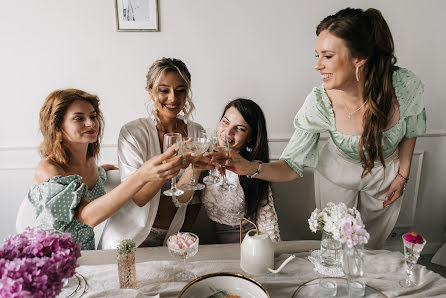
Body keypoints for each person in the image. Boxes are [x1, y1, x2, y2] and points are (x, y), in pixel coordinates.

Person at [225, 8, 425, 248]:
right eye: (317, 55)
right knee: (337, 244)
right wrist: (248, 167)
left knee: (371, 247)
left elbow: (411, 130)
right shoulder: (318, 103)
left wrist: (402, 175)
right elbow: (291, 166)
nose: (317, 65)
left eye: (327, 56)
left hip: (386, 174)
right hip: (337, 173)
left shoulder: (405, 86)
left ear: (359, 57)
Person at [28, 89, 183, 250]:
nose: (91, 123)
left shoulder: (89, 163)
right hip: (50, 258)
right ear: (57, 125)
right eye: (79, 118)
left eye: (93, 116)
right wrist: (141, 176)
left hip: (86, 254)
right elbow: (87, 217)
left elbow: (80, 185)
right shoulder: (48, 168)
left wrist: (103, 170)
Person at [100, 58, 210, 249]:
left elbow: (187, 199)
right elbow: (139, 197)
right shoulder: (133, 133)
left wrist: (196, 170)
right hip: (129, 237)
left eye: (181, 90)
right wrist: (172, 164)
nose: (173, 98)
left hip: (172, 237)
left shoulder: (197, 134)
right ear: (151, 92)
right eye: (164, 90)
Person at [203, 98, 280, 243]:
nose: (228, 132)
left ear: (250, 137)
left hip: (248, 245)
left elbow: (268, 224)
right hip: (215, 246)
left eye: (240, 128)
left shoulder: (252, 168)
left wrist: (269, 255)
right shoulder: (206, 159)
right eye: (225, 122)